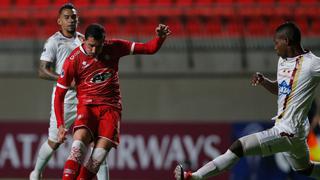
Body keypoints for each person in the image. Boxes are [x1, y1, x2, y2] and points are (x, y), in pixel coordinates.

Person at [174, 22, 320, 180]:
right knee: (305, 169)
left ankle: (194, 176)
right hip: (295, 133)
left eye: (276, 42)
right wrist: (265, 82)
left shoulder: (311, 63)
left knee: (239, 146)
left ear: (286, 40)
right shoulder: (283, 61)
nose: (274, 47)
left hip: (288, 132)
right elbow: (283, 89)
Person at [54, 23, 170, 179]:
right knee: (78, 145)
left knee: (97, 158)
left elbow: (148, 48)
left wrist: (160, 38)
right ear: (84, 41)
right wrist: (60, 125)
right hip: (87, 107)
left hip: (111, 109)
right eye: (91, 46)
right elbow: (59, 94)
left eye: (98, 46)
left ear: (104, 41)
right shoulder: (73, 60)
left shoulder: (115, 47)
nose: (94, 50)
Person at [29, 3, 109, 180]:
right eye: (67, 17)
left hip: (87, 98)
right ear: (59, 21)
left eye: (73, 17)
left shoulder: (83, 39)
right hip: (65, 99)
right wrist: (65, 80)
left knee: (99, 143)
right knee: (55, 141)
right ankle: (35, 172)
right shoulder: (53, 42)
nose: (71, 20)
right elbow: (42, 70)